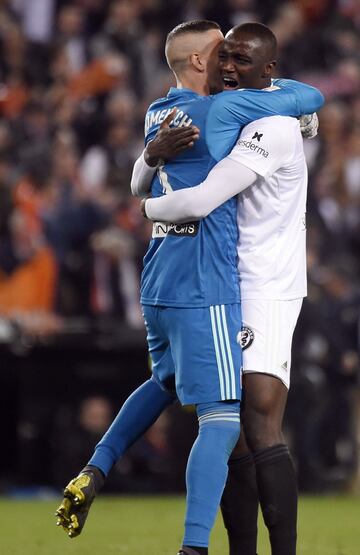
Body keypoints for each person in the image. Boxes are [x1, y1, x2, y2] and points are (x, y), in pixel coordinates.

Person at [55, 21, 324, 555]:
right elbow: (306, 95)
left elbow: (139, 175)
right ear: (202, 62)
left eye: (237, 56)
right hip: (208, 277)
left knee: (164, 381)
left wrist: (150, 165)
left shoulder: (160, 111)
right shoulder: (223, 111)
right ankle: (194, 547)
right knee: (225, 420)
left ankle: (98, 466)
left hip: (161, 272)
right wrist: (300, 109)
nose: (228, 64)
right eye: (222, 53)